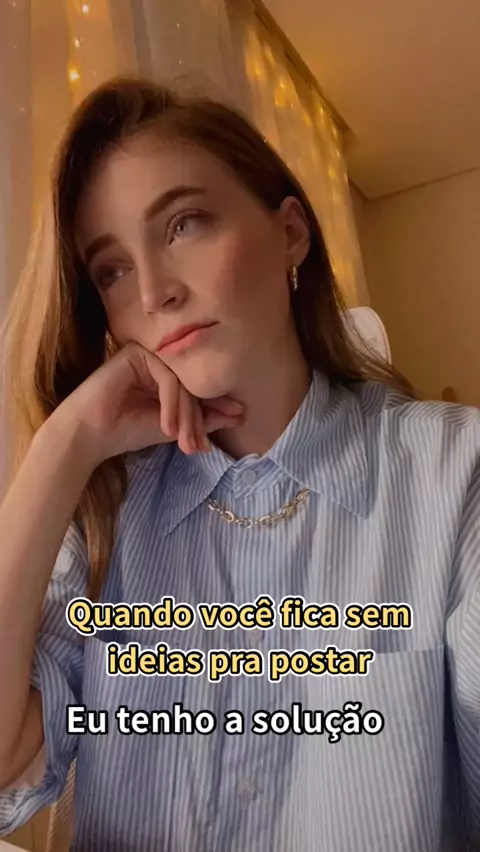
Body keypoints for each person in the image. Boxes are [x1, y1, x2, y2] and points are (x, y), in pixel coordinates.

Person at [0, 76, 478, 852]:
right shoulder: (104, 514)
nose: (154, 292)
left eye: (183, 224)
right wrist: (62, 447)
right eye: (111, 270)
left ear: (291, 232)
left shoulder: (454, 476)